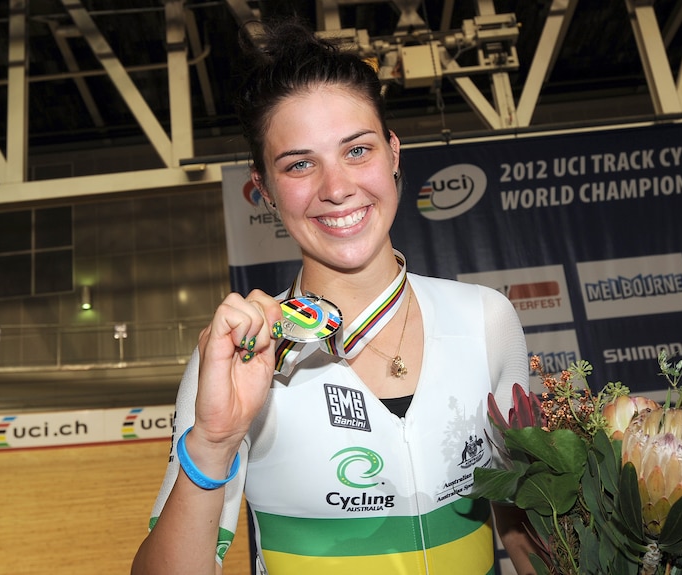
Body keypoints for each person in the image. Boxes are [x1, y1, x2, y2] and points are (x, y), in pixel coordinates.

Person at [132, 17, 536, 575]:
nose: (336, 187)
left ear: (393, 154)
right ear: (265, 191)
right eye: (299, 164)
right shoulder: (238, 357)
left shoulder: (486, 319)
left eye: (357, 150)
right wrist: (213, 442)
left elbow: (522, 528)